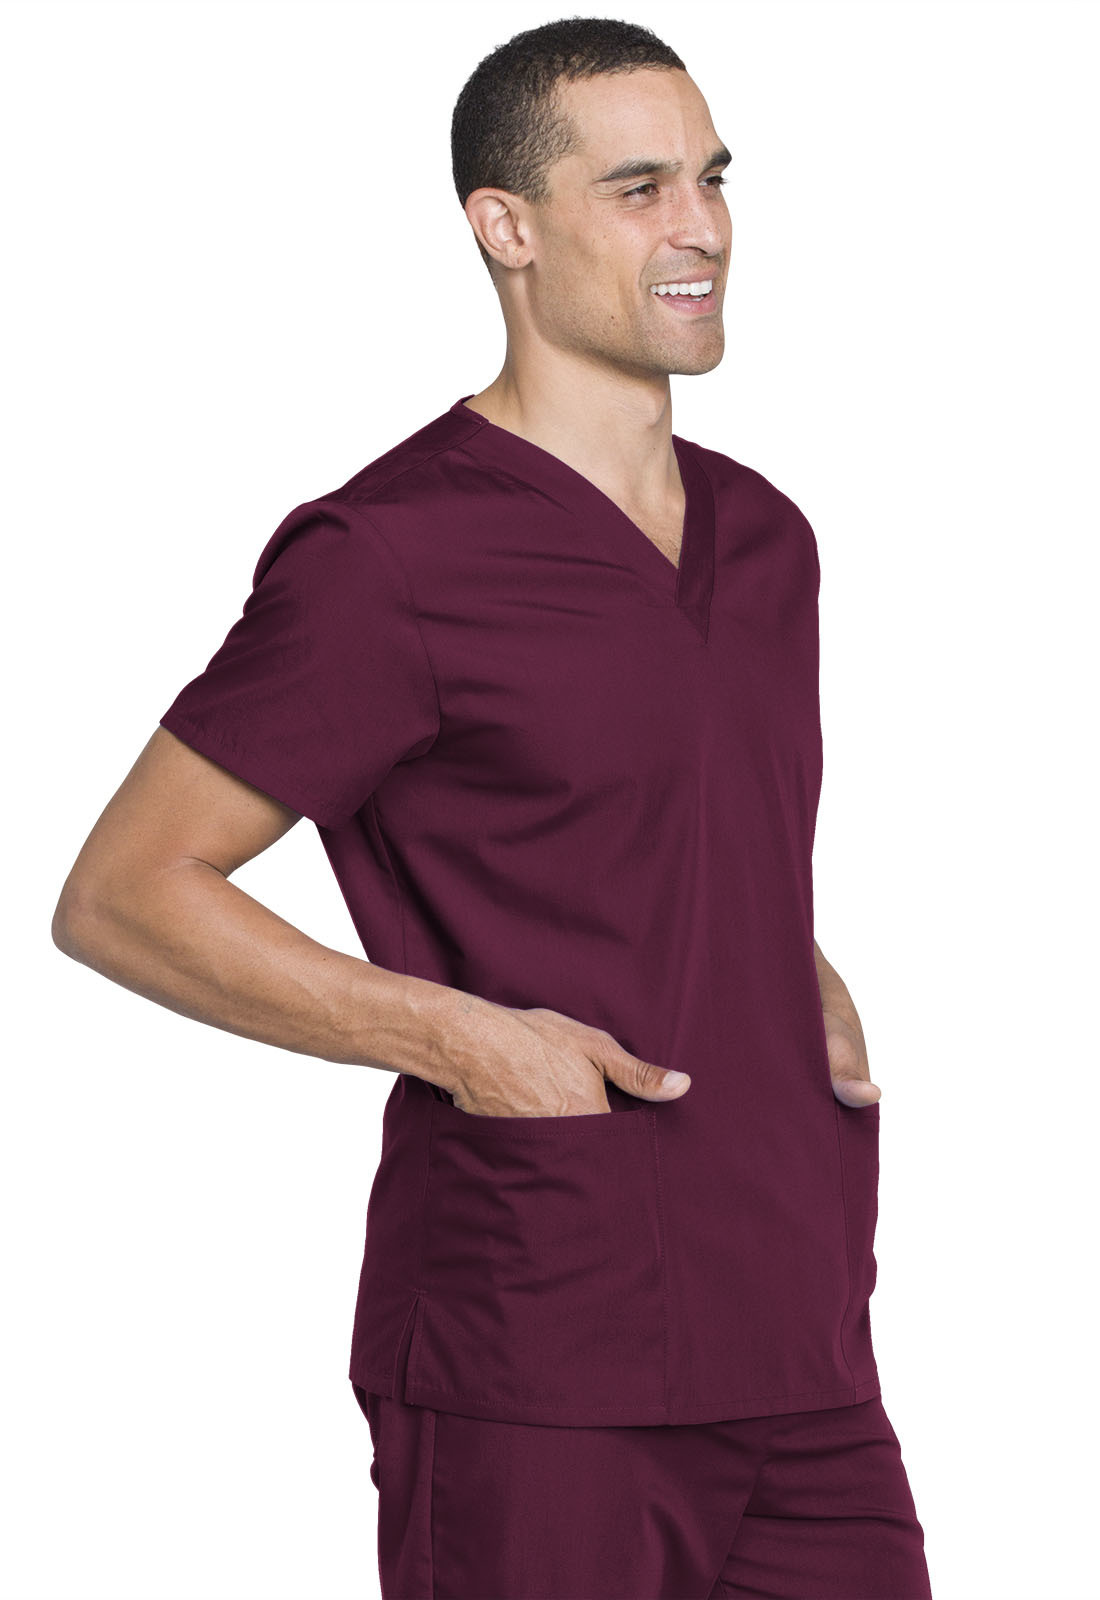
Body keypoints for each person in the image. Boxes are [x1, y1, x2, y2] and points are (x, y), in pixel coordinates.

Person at [51, 16, 933, 1600]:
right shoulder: (391, 558)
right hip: (544, 1347)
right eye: (640, 188)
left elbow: (662, 831)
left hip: (802, 1339)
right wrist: (461, 1039)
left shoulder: (769, 541)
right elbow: (124, 891)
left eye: (715, 179)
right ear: (505, 227)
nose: (701, 228)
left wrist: (789, 967)